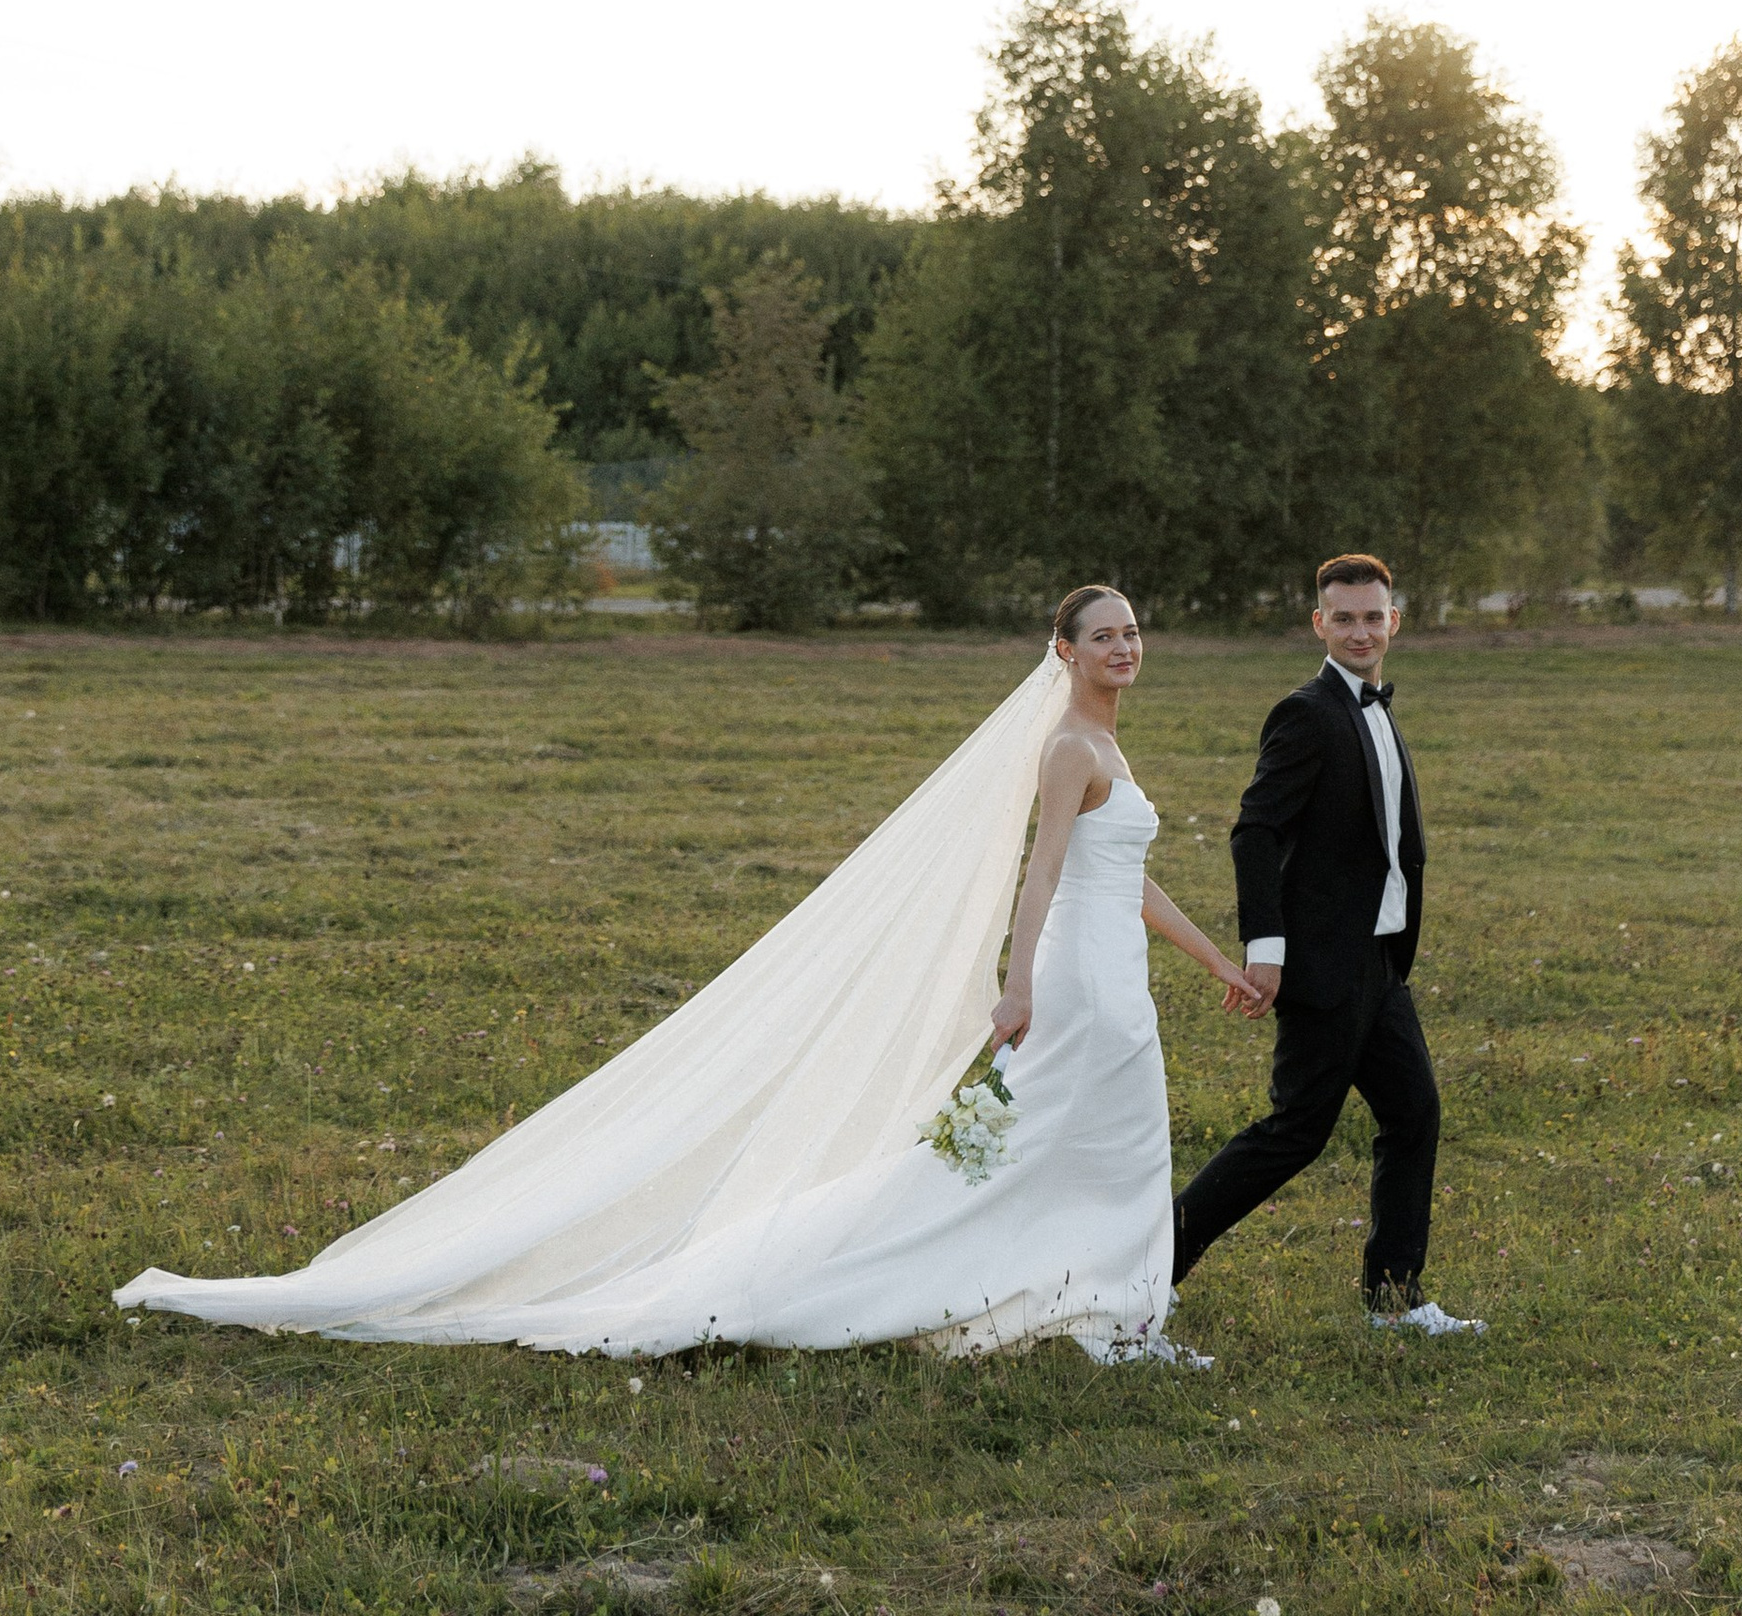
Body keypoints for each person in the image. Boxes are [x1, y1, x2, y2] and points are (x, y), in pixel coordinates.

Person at [115, 583, 1259, 1364]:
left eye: (1132, 632)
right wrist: (1011, 991)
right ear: (1063, 653)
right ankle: (1076, 1312)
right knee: (1055, 1146)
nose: (1124, 647)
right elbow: (1042, 875)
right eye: (1102, 635)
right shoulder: (1068, 745)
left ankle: (1103, 1308)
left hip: (1118, 974)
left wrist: (1212, 957)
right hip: (1077, 986)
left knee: (1096, 1146)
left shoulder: (1106, 746)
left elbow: (1125, 878)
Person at [1170, 551, 1478, 1336]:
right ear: (1320, 624)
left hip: (1380, 963)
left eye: (1373, 616)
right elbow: (1255, 830)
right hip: (1322, 966)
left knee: (1414, 1116)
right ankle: (1152, 1267)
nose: (1360, 630)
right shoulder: (1306, 712)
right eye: (1343, 617)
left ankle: (1394, 1300)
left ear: (1394, 622)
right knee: (1293, 1134)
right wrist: (1265, 949)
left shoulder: (1376, 707)